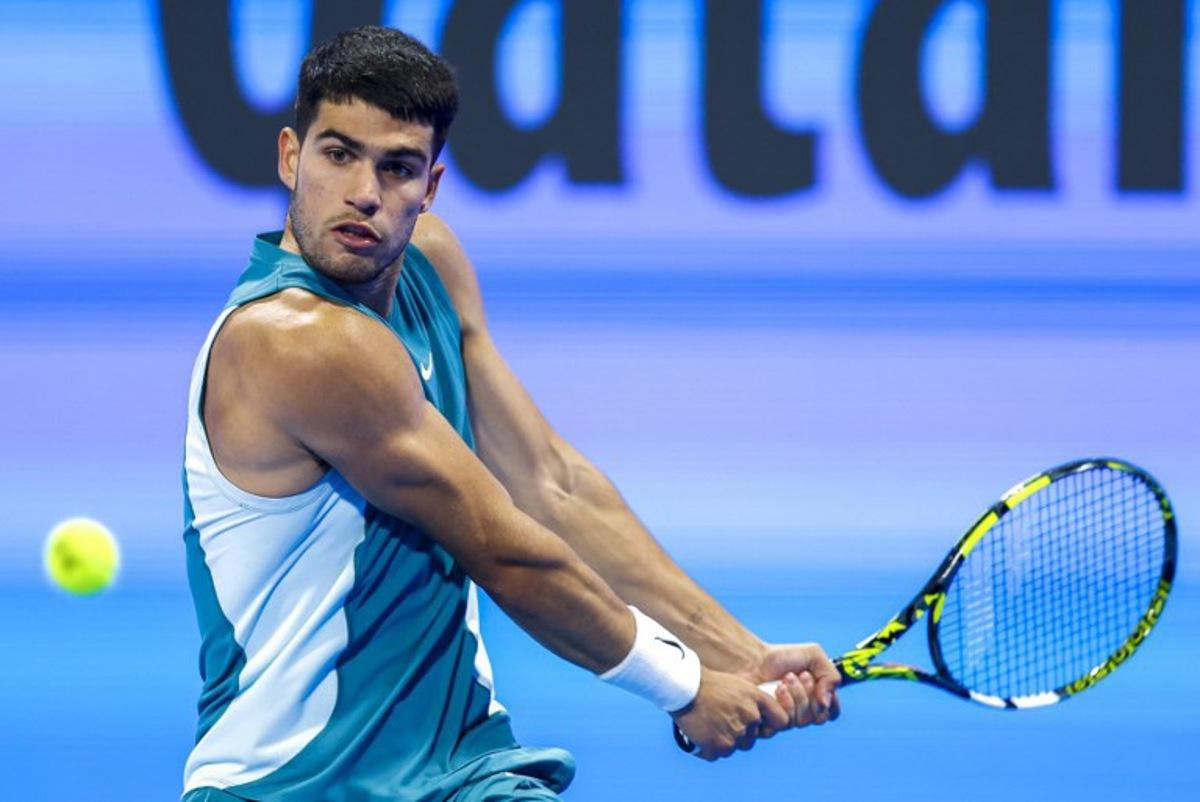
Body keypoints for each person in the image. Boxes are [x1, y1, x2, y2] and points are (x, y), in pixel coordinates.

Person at [181, 25, 840, 802]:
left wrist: (739, 652)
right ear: (290, 156)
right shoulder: (296, 342)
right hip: (296, 786)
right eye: (338, 155)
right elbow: (505, 551)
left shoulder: (431, 266)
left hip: (461, 773)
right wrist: (686, 685)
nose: (365, 192)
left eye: (397, 168)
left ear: (430, 187)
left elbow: (550, 485)